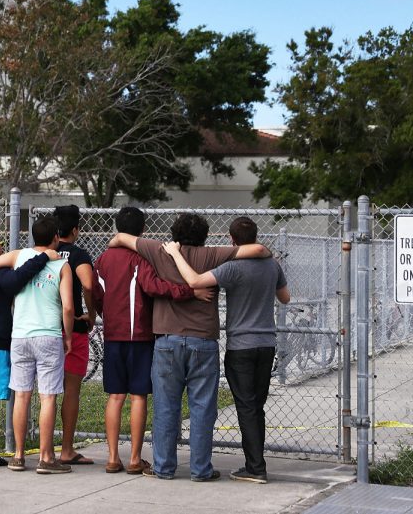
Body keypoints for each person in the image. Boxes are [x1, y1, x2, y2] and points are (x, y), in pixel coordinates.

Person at [108, 213, 270, 481]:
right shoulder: (215, 254)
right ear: (205, 235)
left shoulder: (158, 250)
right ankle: (200, 469)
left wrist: (116, 247)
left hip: (167, 341)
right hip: (203, 341)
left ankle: (163, 467)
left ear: (174, 233)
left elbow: (121, 238)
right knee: (203, 408)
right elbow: (259, 249)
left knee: (165, 407)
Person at [163, 217, 290, 484]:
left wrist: (175, 254)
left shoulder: (231, 268)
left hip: (241, 346)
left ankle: (256, 467)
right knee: (256, 406)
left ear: (232, 241)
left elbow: (196, 281)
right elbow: (285, 297)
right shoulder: (272, 265)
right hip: (267, 344)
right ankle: (255, 463)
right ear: (256, 236)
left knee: (245, 406)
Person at [92, 206, 213, 475]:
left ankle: (112, 457)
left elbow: (95, 292)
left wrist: (106, 315)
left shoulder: (101, 259)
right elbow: (154, 287)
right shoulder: (140, 258)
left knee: (114, 397)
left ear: (116, 227)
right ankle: (135, 458)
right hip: (140, 336)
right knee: (138, 397)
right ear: (143, 230)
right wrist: (189, 291)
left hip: (112, 334)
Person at [0, 216, 74, 474]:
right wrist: (67, 335)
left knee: (21, 396)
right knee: (47, 397)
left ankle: (19, 455)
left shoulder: (17, 256)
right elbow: (68, 306)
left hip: (20, 335)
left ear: (33, 236)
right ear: (56, 238)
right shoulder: (62, 265)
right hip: (48, 334)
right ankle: (46, 458)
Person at [53, 205, 97, 465]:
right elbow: (89, 284)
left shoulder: (42, 253)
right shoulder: (78, 255)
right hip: (74, 329)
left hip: (46, 326)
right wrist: (91, 314)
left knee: (43, 392)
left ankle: (35, 449)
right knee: (71, 390)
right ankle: (66, 449)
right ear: (75, 229)